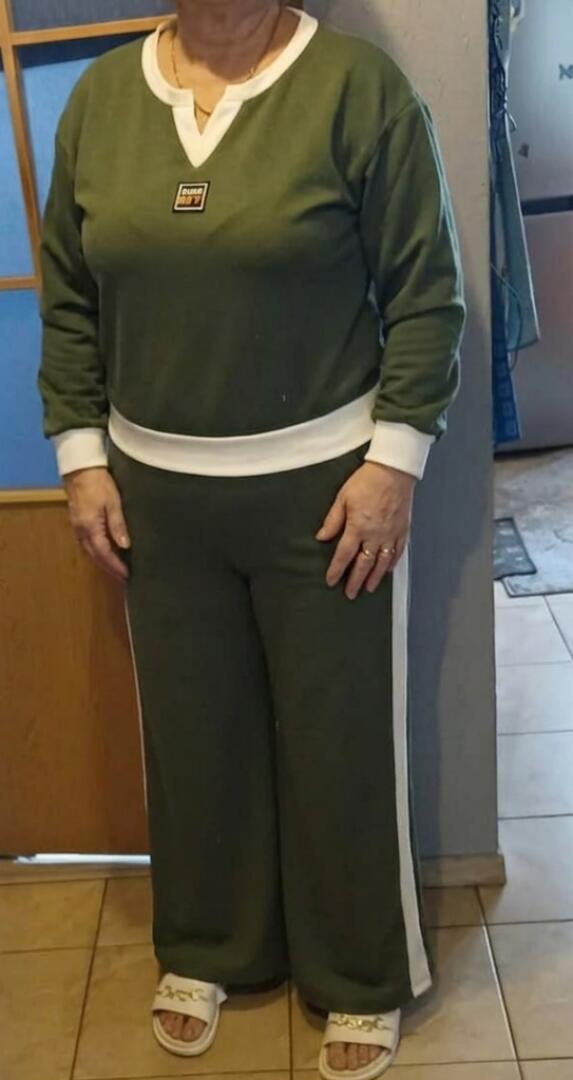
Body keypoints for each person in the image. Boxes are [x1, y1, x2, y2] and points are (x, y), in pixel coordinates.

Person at [37, 1, 466, 1076]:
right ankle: (212, 946)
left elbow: (426, 294)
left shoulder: (359, 92)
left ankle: (359, 973)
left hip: (327, 494)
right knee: (193, 740)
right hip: (157, 498)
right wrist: (81, 456)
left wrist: (394, 466)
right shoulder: (100, 100)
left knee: (341, 742)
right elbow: (69, 298)